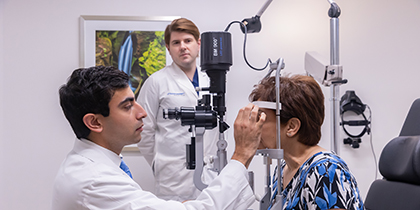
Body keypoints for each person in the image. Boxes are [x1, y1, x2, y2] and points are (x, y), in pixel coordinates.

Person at [52, 65, 265, 210]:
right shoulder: (94, 180)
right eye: (127, 107)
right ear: (95, 122)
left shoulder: (92, 165)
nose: (142, 112)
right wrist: (242, 155)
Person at [249, 74, 364, 210]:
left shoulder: (326, 171)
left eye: (261, 118)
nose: (253, 126)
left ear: (292, 126)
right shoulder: (283, 169)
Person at [137, 18, 218, 201]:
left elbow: (220, 126)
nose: (182, 47)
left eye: (187, 41)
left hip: (211, 174)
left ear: (198, 44)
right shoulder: (156, 82)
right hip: (173, 178)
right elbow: (143, 132)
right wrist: (162, 163)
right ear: (168, 48)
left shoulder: (213, 81)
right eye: (176, 42)